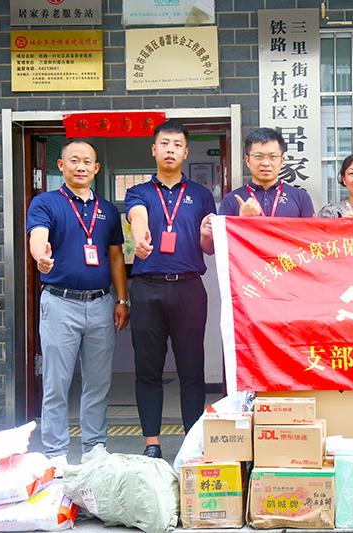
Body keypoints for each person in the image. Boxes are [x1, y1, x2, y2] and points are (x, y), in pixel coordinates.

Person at [27, 139, 129, 473]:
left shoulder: (108, 210)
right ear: (61, 165)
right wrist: (41, 256)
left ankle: (94, 446)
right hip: (60, 303)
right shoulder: (46, 203)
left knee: (98, 382)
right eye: (74, 160)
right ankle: (56, 452)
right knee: (57, 381)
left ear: (96, 168)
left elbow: (116, 255)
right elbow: (38, 236)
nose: (81, 166)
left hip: (101, 303)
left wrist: (122, 299)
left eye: (87, 161)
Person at [124, 120, 217, 458]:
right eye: (164, 144)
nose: (170, 150)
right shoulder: (138, 192)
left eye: (177, 145)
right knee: (147, 369)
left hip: (190, 289)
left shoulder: (201, 195)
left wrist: (207, 232)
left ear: (185, 152)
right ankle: (152, 444)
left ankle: (192, 448)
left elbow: (208, 247)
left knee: (192, 370)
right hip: (147, 289)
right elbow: (136, 216)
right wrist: (140, 236)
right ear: (154, 149)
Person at [217, 127, 314, 218]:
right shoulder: (230, 200)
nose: (266, 163)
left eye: (273, 156)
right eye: (258, 156)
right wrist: (243, 219)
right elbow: (224, 236)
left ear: (282, 161)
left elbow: (309, 234)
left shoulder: (301, 198)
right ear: (247, 160)